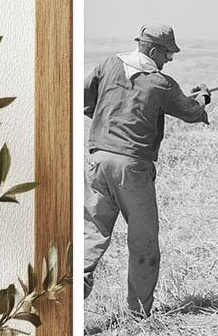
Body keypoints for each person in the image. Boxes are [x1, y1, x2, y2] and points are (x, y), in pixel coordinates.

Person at [83, 24, 210, 316]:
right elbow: (190, 112)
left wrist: (106, 111)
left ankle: (66, 297)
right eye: (167, 53)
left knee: (91, 235)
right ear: (153, 50)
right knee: (144, 243)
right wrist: (203, 96)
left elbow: (84, 100)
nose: (169, 60)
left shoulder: (108, 65)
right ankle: (139, 313)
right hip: (132, 168)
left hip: (97, 161)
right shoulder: (161, 83)